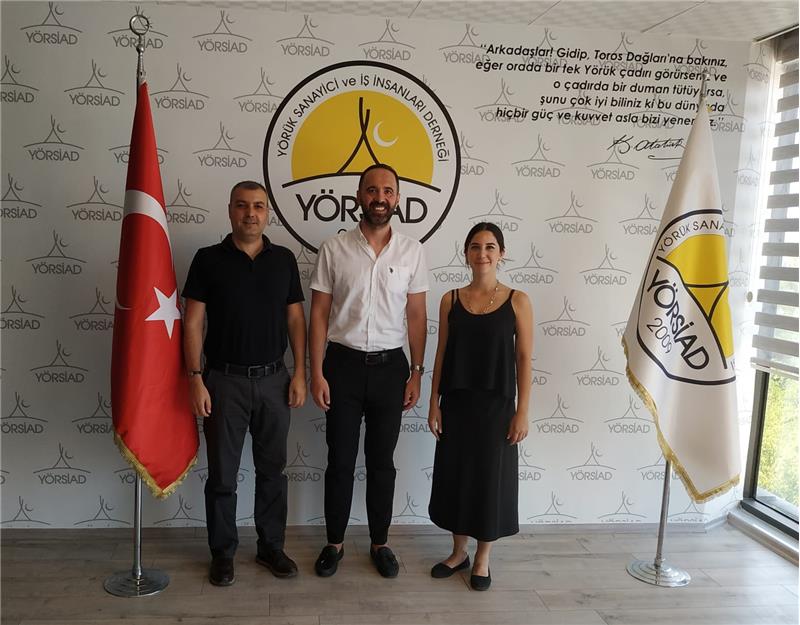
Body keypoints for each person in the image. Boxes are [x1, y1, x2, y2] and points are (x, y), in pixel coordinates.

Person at [183, 180, 307, 586]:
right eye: (242, 205)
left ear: (267, 213)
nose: (250, 213)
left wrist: (300, 372)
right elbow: (193, 321)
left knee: (273, 472)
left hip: (275, 381)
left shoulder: (283, 260)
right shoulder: (207, 259)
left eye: (258, 206)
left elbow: (295, 319)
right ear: (230, 210)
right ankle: (222, 553)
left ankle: (271, 547)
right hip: (223, 382)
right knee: (222, 475)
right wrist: (195, 378)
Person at [309, 163, 428, 578]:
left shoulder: (412, 252)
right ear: (359, 196)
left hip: (390, 369)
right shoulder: (333, 249)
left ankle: (380, 543)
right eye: (373, 190)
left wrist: (417, 372)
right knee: (340, 461)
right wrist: (316, 372)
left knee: (382, 463)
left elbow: (417, 316)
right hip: (340, 366)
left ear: (397, 199)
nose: (380, 197)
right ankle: (334, 544)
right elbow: (318, 314)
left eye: (388, 191)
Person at [426, 222, 533, 591]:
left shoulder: (518, 300)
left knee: (489, 482)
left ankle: (483, 558)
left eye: (489, 247)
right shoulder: (450, 299)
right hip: (456, 404)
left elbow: (524, 358)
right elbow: (441, 353)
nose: (482, 253)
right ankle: (458, 553)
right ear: (466, 253)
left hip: (497, 408)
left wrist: (522, 411)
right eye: (475, 246)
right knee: (456, 478)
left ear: (501, 253)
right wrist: (434, 402)